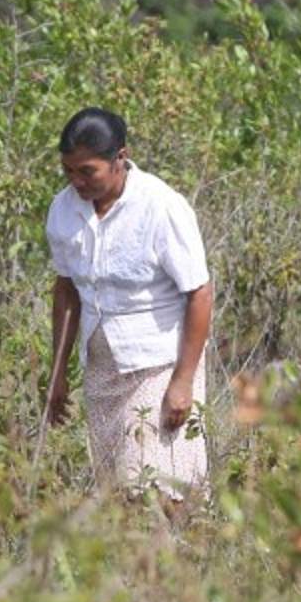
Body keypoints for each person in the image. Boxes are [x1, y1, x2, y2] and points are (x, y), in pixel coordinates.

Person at [44, 107, 213, 503]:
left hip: (159, 363)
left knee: (161, 488)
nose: (77, 181)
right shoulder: (63, 209)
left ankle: (180, 561)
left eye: (88, 171)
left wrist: (183, 382)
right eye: (68, 171)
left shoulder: (161, 206)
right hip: (102, 364)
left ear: (120, 157)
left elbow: (199, 293)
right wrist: (58, 373)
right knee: (117, 493)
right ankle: (135, 567)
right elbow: (66, 290)